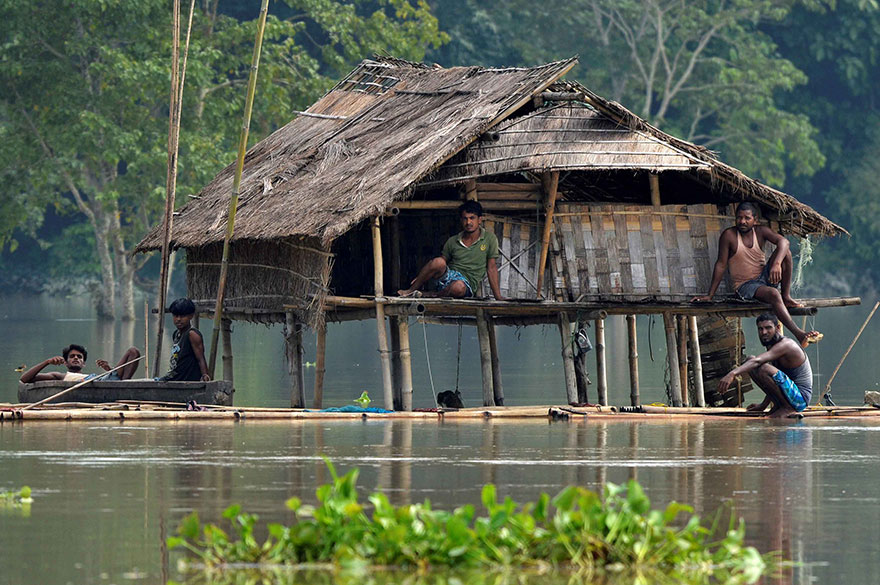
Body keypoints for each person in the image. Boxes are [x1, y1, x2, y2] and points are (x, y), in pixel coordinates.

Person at [692, 201, 821, 348]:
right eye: (739, 218)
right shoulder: (729, 235)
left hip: (764, 278)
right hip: (745, 286)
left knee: (787, 254)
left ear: (755, 220)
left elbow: (784, 242)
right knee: (773, 293)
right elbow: (721, 264)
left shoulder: (760, 231)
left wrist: (776, 263)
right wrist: (710, 295)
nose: (742, 221)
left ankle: (786, 296)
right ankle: (799, 334)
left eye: (747, 218)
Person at [397, 200, 504, 300]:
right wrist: (422, 276)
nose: (468, 222)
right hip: (448, 276)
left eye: (472, 218)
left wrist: (498, 297)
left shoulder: (489, 239)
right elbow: (439, 263)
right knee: (438, 261)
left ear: (480, 219)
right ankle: (411, 291)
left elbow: (491, 268)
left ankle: (434, 295)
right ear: (461, 220)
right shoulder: (453, 240)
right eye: (465, 218)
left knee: (458, 287)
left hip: (465, 285)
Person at [717, 313, 813, 418]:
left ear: (777, 328)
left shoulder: (786, 344)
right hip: (790, 395)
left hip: (800, 400)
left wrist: (732, 373)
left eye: (768, 328)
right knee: (751, 361)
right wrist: (763, 405)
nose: (764, 332)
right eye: (760, 329)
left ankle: (788, 408)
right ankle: (780, 405)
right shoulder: (772, 345)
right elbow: (773, 382)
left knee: (761, 367)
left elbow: (759, 363)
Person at [19, 343, 141, 383]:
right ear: (66, 363)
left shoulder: (90, 375)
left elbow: (108, 379)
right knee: (132, 351)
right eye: (72, 357)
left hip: (101, 380)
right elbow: (24, 379)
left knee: (133, 352)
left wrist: (109, 369)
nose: (76, 358)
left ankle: (125, 384)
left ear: (83, 364)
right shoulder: (61, 376)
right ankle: (124, 385)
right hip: (99, 382)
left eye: (79, 357)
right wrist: (47, 362)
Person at [159, 298, 211, 382]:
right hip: (174, 377)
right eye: (176, 316)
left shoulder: (192, 334)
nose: (178, 319)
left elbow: (200, 358)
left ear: (191, 316)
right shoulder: (176, 334)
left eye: (182, 316)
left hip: (185, 379)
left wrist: (205, 376)